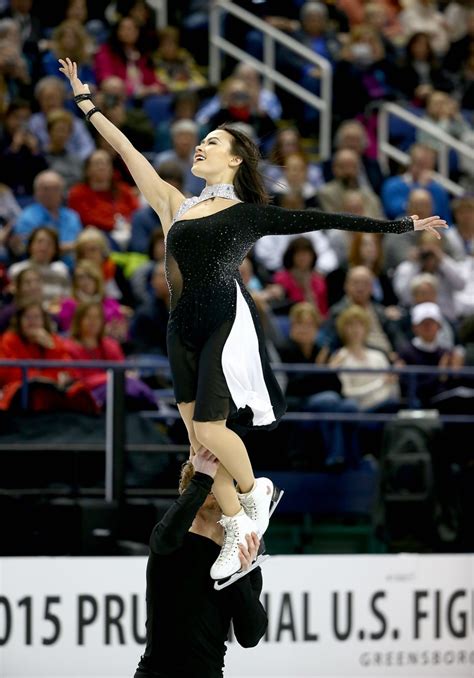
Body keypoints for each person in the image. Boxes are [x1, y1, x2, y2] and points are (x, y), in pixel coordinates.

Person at [59, 56, 447, 581]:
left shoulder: (246, 214)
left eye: (214, 142)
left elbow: (320, 217)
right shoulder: (174, 205)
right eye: (203, 139)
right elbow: (127, 151)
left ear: (236, 160)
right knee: (199, 447)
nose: (202, 145)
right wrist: (86, 102)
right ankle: (240, 528)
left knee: (212, 427)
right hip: (181, 327)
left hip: (223, 319)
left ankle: (254, 491)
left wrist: (402, 226)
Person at [134, 446, 267, 678]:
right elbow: (166, 536)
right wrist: (202, 476)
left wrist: (241, 574)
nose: (216, 485)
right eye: (210, 481)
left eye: (221, 481)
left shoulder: (237, 554)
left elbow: (250, 636)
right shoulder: (171, 540)